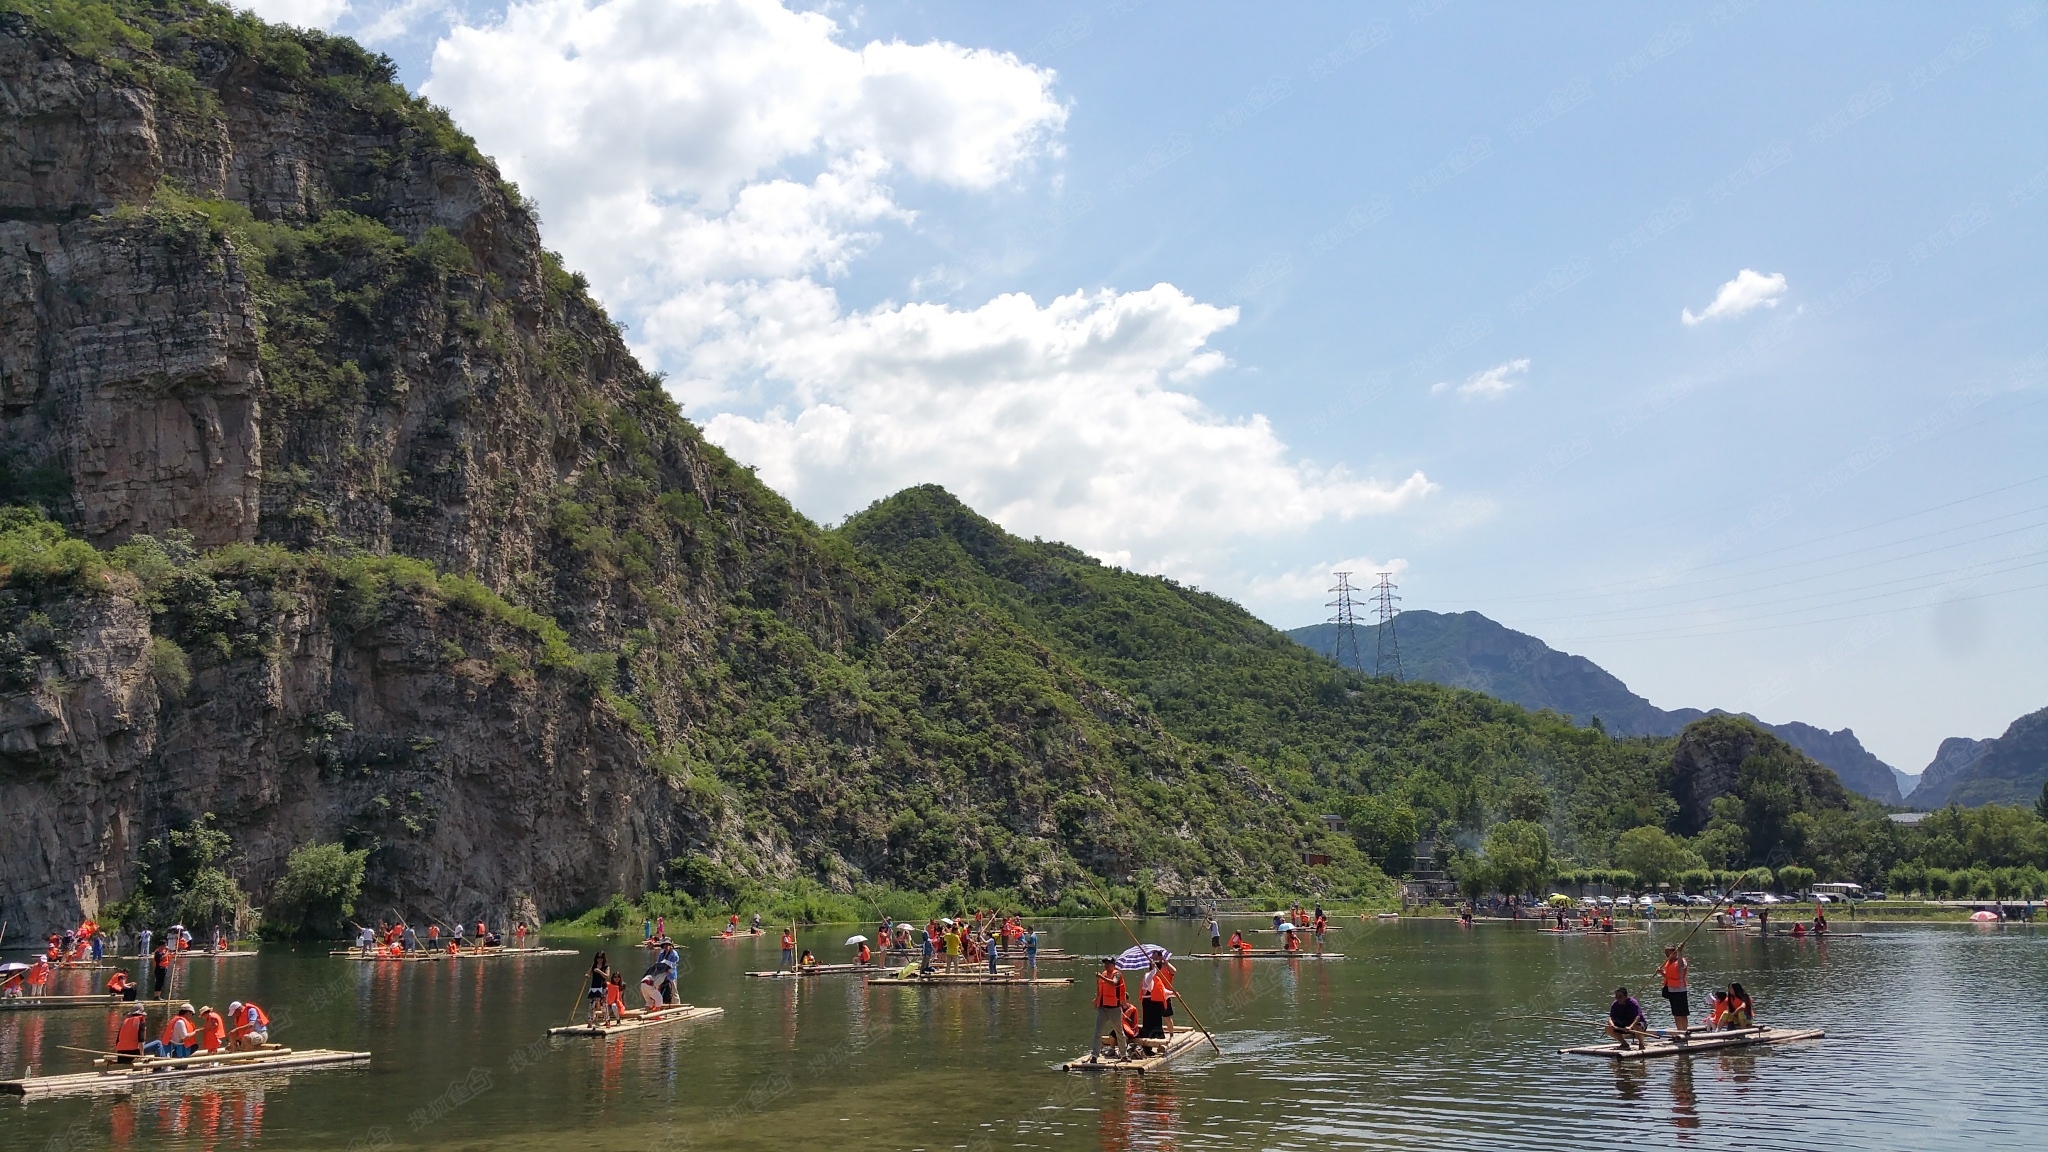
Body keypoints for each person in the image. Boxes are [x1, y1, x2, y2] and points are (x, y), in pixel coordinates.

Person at [1089, 958, 1131, 1062]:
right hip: (1103, 1008)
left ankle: (1123, 1055)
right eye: (1105, 964)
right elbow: (1101, 990)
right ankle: (1094, 1055)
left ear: (1113, 964)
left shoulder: (1117, 974)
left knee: (1119, 1032)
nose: (1106, 966)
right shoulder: (1103, 974)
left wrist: (1101, 977)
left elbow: (1114, 983)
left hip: (1114, 1008)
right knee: (1097, 1032)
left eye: (1108, 963)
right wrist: (1097, 999)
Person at [1139, 953, 1174, 1038]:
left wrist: (1173, 993)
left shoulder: (1157, 978)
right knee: (1149, 1021)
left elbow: (1162, 991)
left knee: (1158, 1021)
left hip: (1156, 1003)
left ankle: (1158, 1036)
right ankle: (1148, 1037)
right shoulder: (1148, 975)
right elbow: (1148, 981)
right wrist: (1154, 969)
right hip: (1149, 1002)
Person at [1659, 944, 1691, 1033]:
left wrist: (1680, 951)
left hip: (1680, 990)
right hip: (1671, 990)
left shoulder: (1681, 961)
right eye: (1666, 953)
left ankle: (1684, 1032)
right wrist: (1661, 973)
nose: (1667, 955)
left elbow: (1681, 966)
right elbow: (1668, 977)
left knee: (1682, 1014)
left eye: (1668, 953)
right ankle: (1679, 1031)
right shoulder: (1669, 962)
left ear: (1674, 953)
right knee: (1676, 1014)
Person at [1607, 986, 1648, 1050]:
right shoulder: (1615, 1004)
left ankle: (1641, 1044)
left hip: (1636, 1024)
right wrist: (1611, 1024)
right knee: (1608, 1028)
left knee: (1636, 1026)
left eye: (1620, 997)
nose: (1618, 999)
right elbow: (1611, 1017)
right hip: (1624, 1024)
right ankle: (1624, 1044)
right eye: (1616, 997)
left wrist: (1630, 1027)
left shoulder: (1633, 1003)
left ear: (1625, 996)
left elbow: (1638, 1017)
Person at [586, 953, 612, 1026]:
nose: (599, 959)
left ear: (603, 958)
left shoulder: (606, 967)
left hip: (603, 988)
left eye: (601, 958)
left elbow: (607, 977)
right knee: (592, 1005)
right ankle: (590, 1021)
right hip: (594, 987)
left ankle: (607, 1020)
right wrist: (588, 974)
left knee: (603, 1005)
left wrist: (599, 971)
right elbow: (588, 973)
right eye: (598, 958)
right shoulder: (593, 966)